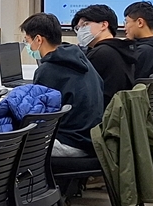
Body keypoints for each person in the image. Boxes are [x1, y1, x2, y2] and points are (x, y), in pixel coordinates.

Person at [21, 13, 104, 157]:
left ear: (38, 39)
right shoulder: (80, 59)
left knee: (13, 146)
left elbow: (37, 116)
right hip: (93, 139)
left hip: (71, 143)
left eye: (27, 40)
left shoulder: (48, 70)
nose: (27, 45)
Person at [71, 4, 137, 109]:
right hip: (117, 111)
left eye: (85, 24)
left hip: (102, 112)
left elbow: (79, 89)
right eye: (78, 28)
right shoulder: (121, 49)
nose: (81, 31)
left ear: (104, 25)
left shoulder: (101, 54)